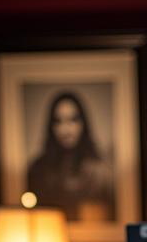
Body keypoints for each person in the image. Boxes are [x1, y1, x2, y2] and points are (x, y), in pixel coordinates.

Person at [26, 91, 114, 221]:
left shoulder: (100, 173)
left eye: (73, 120)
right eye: (58, 121)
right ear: (51, 126)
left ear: (83, 123)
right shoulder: (37, 170)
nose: (66, 129)